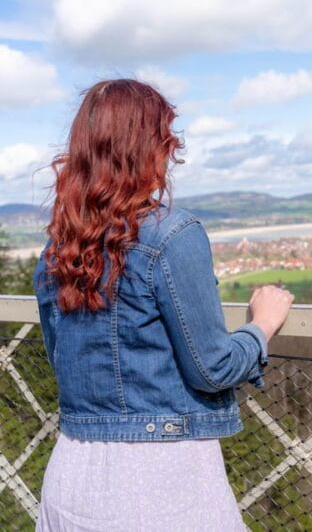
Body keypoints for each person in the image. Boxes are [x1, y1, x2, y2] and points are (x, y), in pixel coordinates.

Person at [32, 78, 293, 531]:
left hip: (71, 473)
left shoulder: (57, 252)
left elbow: (64, 361)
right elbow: (212, 368)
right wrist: (262, 326)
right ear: (151, 147)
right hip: (159, 484)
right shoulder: (170, 234)